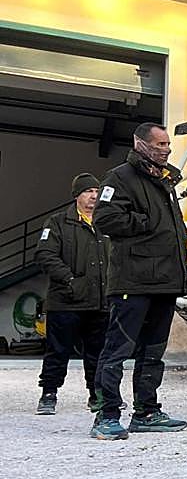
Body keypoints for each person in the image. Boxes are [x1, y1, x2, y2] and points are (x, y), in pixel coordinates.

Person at [91, 122, 187, 441]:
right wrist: (144, 222)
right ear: (140, 144)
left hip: (165, 281)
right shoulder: (119, 177)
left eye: (167, 144)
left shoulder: (165, 181)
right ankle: (106, 415)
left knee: (153, 351)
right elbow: (104, 219)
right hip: (133, 281)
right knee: (117, 350)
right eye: (160, 144)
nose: (166, 148)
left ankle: (146, 411)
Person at [33, 173, 108, 416]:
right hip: (65, 300)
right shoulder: (57, 223)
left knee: (97, 352)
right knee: (58, 350)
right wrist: (70, 280)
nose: (93, 197)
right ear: (77, 196)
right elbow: (45, 255)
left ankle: (96, 394)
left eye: (97, 192)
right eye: (88, 192)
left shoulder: (107, 222)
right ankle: (49, 394)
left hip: (100, 301)